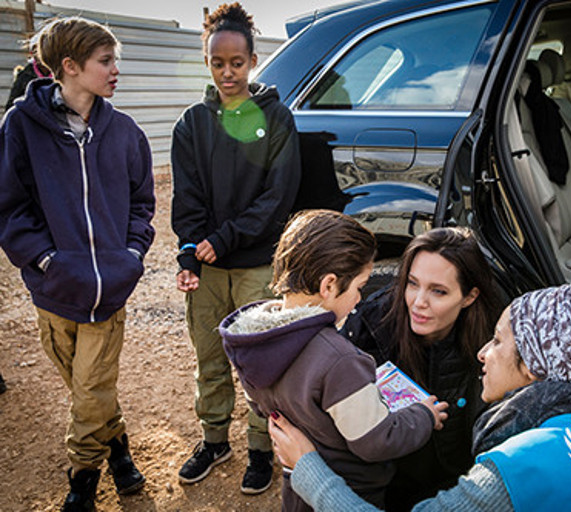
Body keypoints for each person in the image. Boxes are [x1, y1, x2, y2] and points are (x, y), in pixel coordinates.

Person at [270, 283, 571, 512]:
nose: (483, 352)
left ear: (536, 369)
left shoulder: (527, 465)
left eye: (498, 343)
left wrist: (309, 470)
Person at [0, 17, 155, 511]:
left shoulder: (126, 133)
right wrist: (45, 260)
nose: (116, 71)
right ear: (69, 67)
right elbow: (10, 204)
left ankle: (82, 479)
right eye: (105, 62)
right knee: (91, 389)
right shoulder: (21, 127)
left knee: (89, 391)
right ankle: (120, 450)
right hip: (53, 290)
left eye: (116, 61)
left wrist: (130, 255)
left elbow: (142, 203)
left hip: (109, 290)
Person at [219, 210, 449, 512]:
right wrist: (423, 415)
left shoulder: (252, 341)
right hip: (348, 493)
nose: (359, 299)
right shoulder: (339, 361)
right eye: (358, 287)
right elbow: (377, 440)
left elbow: (260, 407)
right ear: (329, 285)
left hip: (297, 487)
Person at [170, 2, 301, 494]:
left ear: (253, 59)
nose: (228, 73)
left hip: (254, 264)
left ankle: (261, 448)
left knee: (258, 361)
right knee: (209, 357)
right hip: (206, 268)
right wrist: (189, 254)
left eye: (237, 63)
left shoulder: (276, 117)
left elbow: (277, 198)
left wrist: (221, 240)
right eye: (218, 63)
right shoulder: (191, 124)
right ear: (208, 62)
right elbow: (187, 197)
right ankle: (214, 440)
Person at [342, 227, 500, 510]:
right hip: (388, 488)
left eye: (438, 291)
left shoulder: (494, 340)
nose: (418, 302)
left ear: (469, 297)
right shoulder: (368, 328)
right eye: (412, 283)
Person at [4, 35, 53, 111]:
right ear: (32, 53)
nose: (39, 54)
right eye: (36, 51)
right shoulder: (25, 76)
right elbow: (11, 105)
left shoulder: (59, 73)